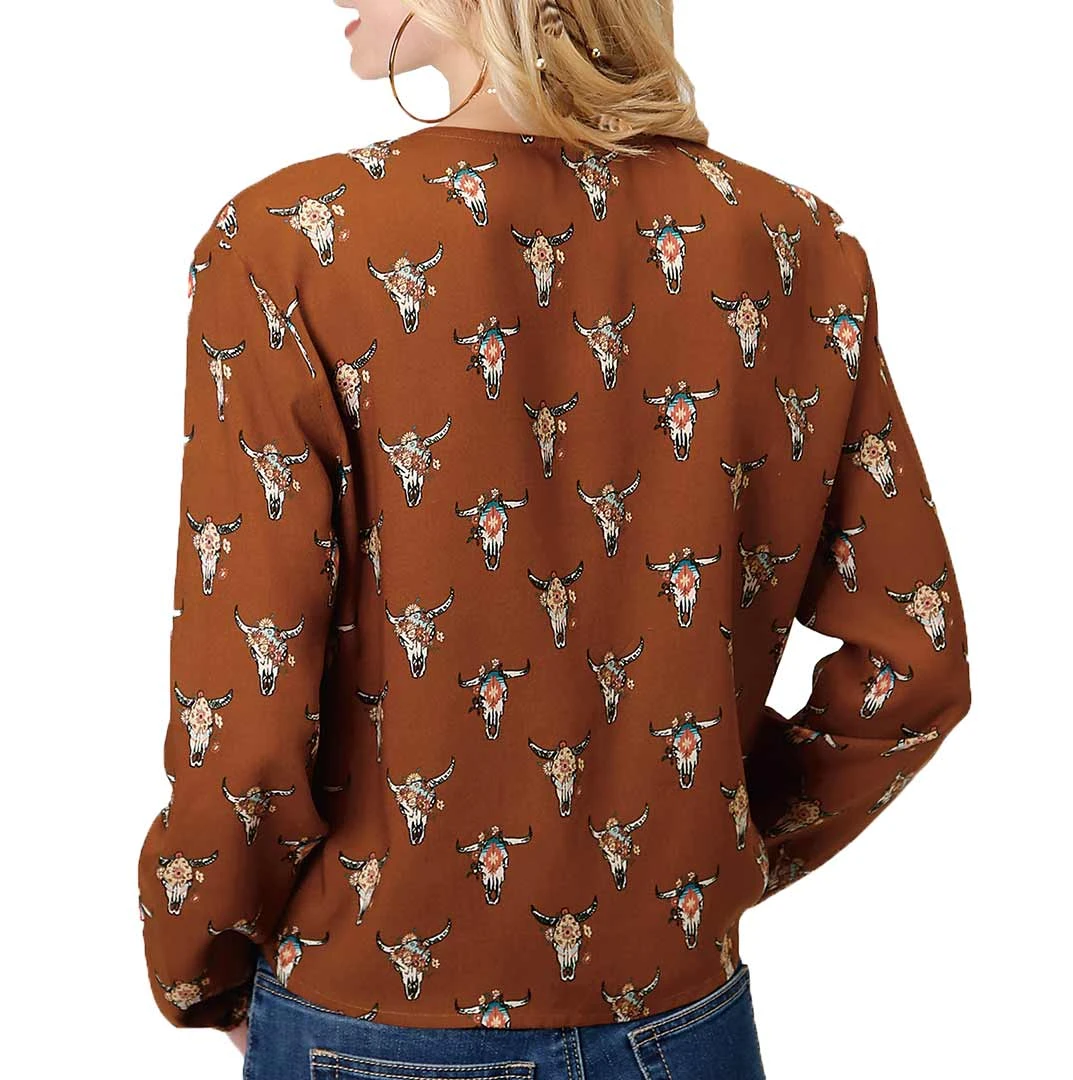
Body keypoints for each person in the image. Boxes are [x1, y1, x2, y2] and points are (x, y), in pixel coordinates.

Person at [136, 2, 973, 1076]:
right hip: (682, 1012)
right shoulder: (793, 243)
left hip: (372, 1015)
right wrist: (694, 849)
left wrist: (200, 961)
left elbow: (246, 704)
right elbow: (914, 660)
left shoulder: (286, 243)